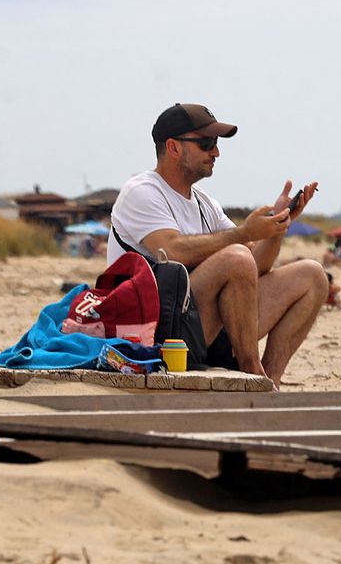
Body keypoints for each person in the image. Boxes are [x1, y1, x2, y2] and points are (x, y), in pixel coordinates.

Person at [108, 103, 327, 384]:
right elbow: (170, 250)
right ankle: (253, 371)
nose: (216, 152)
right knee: (235, 257)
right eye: (206, 143)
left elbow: (256, 264)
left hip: (207, 325)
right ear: (173, 147)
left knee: (312, 276)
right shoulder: (141, 192)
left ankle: (270, 382)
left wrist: (275, 226)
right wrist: (244, 234)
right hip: (161, 332)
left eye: (216, 143)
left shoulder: (203, 202)